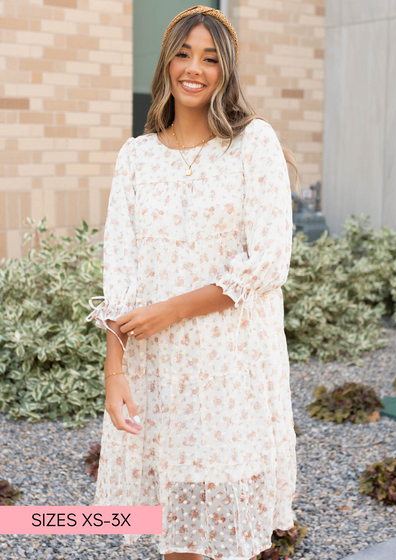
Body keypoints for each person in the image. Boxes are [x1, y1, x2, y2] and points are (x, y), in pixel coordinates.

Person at [86, 5, 299, 560]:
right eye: (183, 54)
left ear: (225, 70)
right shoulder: (135, 158)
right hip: (158, 370)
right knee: (176, 538)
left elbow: (269, 260)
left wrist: (171, 310)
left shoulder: (254, 145)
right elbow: (121, 270)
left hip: (231, 371)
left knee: (228, 535)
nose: (194, 69)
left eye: (209, 58)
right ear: (165, 63)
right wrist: (115, 370)